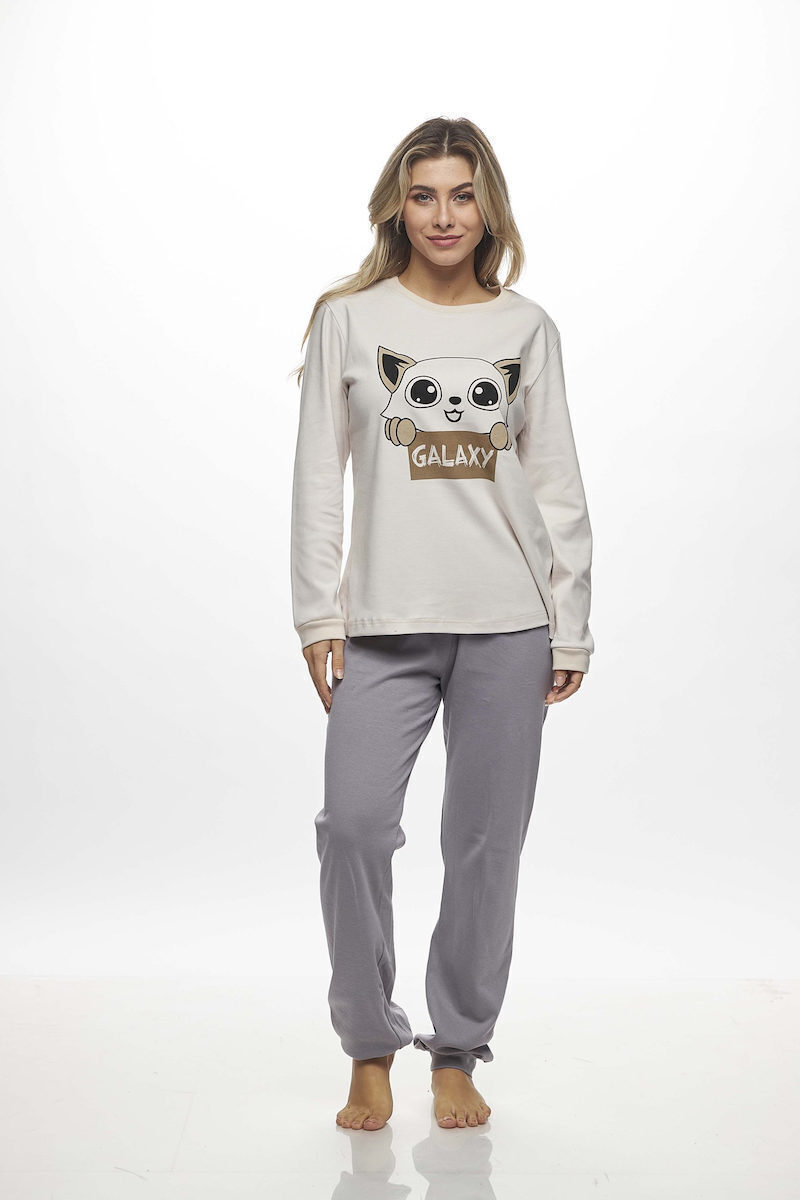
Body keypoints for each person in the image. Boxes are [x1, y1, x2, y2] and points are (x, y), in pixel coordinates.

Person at [289, 116, 595, 1132]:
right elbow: (316, 482)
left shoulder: (526, 329)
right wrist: (317, 614)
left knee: (484, 845)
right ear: (396, 206)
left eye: (462, 195)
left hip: (508, 624)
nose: (443, 215)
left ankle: (458, 1047)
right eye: (423, 195)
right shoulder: (348, 322)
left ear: (488, 206)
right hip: (382, 625)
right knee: (351, 829)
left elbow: (557, 487)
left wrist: (570, 625)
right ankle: (368, 1041)